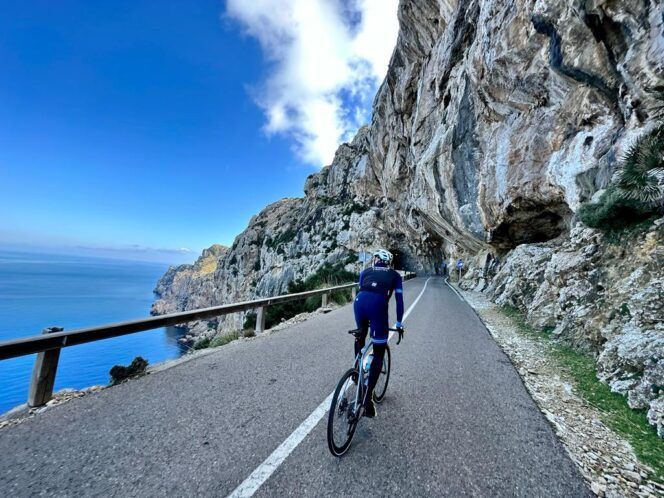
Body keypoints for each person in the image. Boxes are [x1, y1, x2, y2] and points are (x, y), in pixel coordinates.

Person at [353, 248, 404, 418]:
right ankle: (367, 400)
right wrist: (398, 323)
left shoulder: (365, 271)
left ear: (375, 259)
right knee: (379, 350)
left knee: (361, 334)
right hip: (378, 306)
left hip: (359, 302)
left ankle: (356, 371)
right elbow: (399, 300)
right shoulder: (395, 276)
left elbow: (363, 290)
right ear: (388, 262)